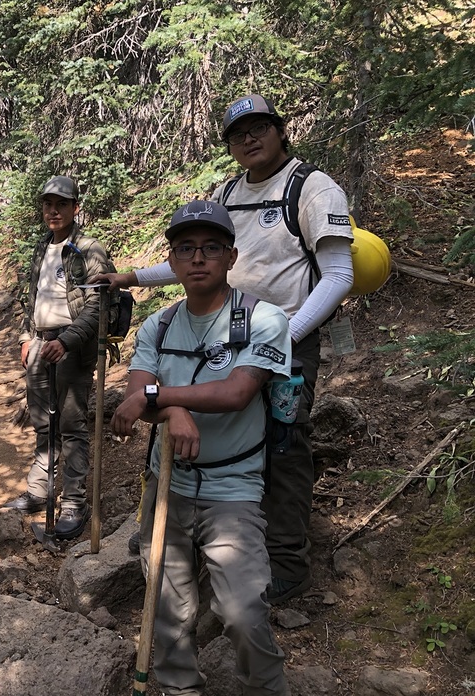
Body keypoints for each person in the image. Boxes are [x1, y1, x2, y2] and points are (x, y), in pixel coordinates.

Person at [98, 94, 354, 602]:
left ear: (282, 131)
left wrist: (284, 336)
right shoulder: (229, 192)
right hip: (223, 330)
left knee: (281, 444)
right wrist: (132, 275)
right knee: (198, 424)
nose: (250, 138)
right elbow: (202, 257)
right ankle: (175, 532)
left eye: (260, 127)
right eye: (239, 133)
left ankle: (285, 561)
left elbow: (339, 274)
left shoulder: (313, 188)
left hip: (286, 335)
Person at [113, 200, 291, 695]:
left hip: (233, 486)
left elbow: (237, 392)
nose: (198, 258)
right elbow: (133, 400)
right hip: (167, 481)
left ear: (231, 257)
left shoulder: (264, 319)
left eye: (211, 248)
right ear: (170, 262)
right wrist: (172, 410)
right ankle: (177, 688)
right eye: (186, 248)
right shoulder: (159, 325)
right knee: (167, 606)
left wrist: (160, 397)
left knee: (242, 610)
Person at [4, 175, 116, 540]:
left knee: (71, 426)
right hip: (39, 344)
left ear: (75, 208)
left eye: (61, 205)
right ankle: (40, 490)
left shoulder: (89, 249)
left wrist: (66, 341)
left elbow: (99, 304)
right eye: (48, 205)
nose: (53, 211)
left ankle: (74, 501)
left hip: (72, 347)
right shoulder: (42, 247)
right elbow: (33, 297)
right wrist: (26, 337)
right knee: (42, 424)